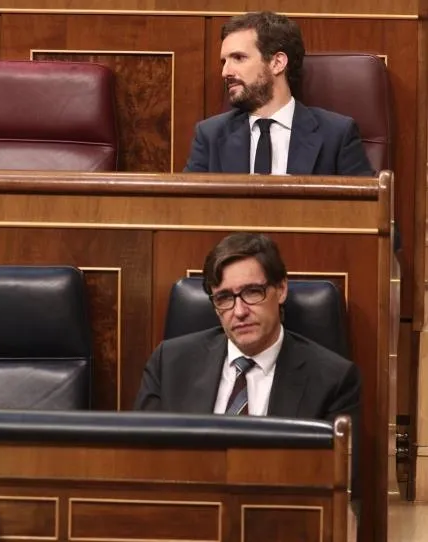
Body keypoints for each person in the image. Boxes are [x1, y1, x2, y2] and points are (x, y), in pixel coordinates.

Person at [134, 232, 361, 505]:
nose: (239, 311)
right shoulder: (169, 362)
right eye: (224, 298)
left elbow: (339, 492)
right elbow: (142, 464)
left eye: (252, 292)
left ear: (281, 289)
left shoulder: (333, 379)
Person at [183, 11, 374, 176]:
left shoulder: (336, 134)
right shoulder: (210, 135)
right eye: (224, 62)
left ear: (277, 63)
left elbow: (366, 205)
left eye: (239, 58)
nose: (225, 72)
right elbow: (187, 204)